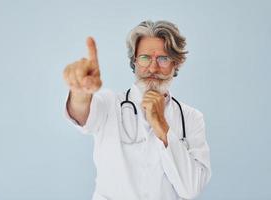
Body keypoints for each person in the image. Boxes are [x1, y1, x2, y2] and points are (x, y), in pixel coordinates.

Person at [63, 20, 211, 200]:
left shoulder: (191, 118)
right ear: (134, 61)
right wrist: (79, 91)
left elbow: (191, 189)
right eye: (145, 57)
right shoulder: (110, 103)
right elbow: (81, 113)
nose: (153, 68)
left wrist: (162, 128)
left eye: (163, 58)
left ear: (176, 64)